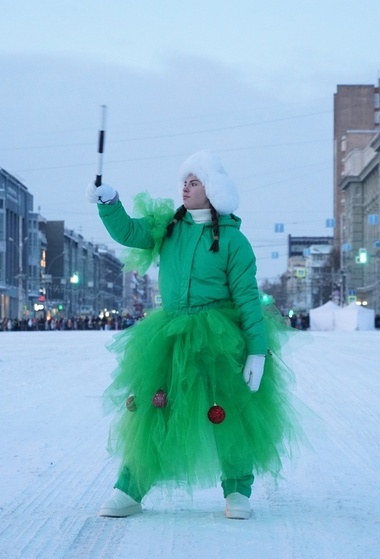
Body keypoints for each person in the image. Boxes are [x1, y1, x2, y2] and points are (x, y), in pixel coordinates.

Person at [87, 149, 302, 520]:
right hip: (171, 334)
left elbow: (248, 299)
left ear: (212, 189)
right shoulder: (168, 227)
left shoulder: (234, 241)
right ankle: (130, 488)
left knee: (228, 413)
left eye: (194, 182)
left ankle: (237, 491)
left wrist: (256, 350)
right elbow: (129, 231)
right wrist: (109, 203)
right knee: (156, 412)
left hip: (218, 337)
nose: (185, 188)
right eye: (183, 182)